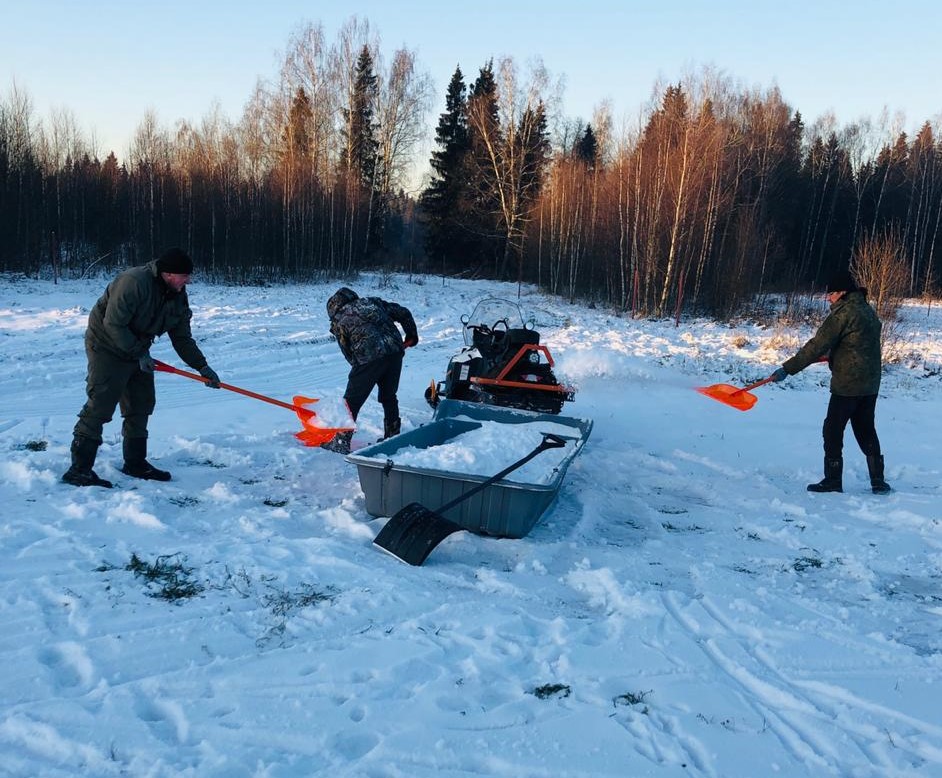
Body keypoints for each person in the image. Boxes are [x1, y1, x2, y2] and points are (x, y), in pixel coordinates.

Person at [62, 248, 221, 488]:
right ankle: (79, 470)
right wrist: (139, 353)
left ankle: (135, 463)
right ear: (168, 274)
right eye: (184, 275)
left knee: (141, 402)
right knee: (101, 404)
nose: (188, 280)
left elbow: (182, 338)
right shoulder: (133, 282)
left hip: (138, 348)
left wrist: (202, 367)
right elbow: (113, 323)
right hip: (106, 344)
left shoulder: (177, 294)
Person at [768, 269, 890, 494]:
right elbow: (858, 343)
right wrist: (836, 354)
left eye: (831, 293)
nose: (828, 297)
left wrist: (787, 369)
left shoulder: (842, 314)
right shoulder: (867, 310)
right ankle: (878, 480)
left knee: (832, 430)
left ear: (843, 292)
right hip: (870, 383)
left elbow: (816, 345)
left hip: (848, 384)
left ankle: (833, 480)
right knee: (865, 428)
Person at [324, 287, 418, 454]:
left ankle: (341, 441)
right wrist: (412, 335)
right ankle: (392, 435)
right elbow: (403, 312)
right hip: (395, 351)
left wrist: (360, 371)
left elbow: (347, 352)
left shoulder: (339, 319)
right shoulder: (373, 302)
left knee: (351, 402)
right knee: (389, 396)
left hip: (368, 359)